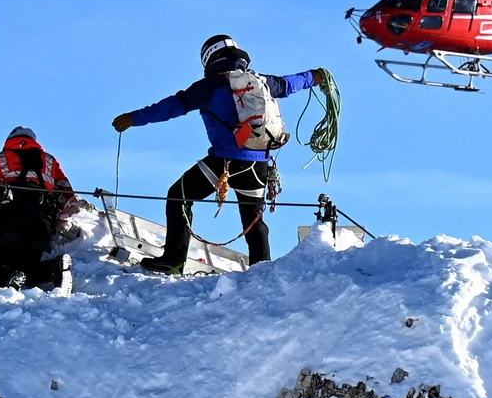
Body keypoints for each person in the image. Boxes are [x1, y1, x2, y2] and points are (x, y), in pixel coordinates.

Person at [112, 35, 330, 273]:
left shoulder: (209, 86)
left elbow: (173, 106)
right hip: (258, 164)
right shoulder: (263, 82)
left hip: (223, 162)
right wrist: (316, 76)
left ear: (209, 58)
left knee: (179, 197)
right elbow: (290, 83)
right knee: (254, 221)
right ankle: (262, 272)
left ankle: (173, 260)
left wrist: (134, 118)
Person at [0, 125, 76, 290]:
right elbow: (67, 192)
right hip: (41, 222)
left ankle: (9, 277)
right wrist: (54, 212)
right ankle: (53, 268)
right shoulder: (50, 160)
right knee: (29, 263)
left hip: (10, 218)